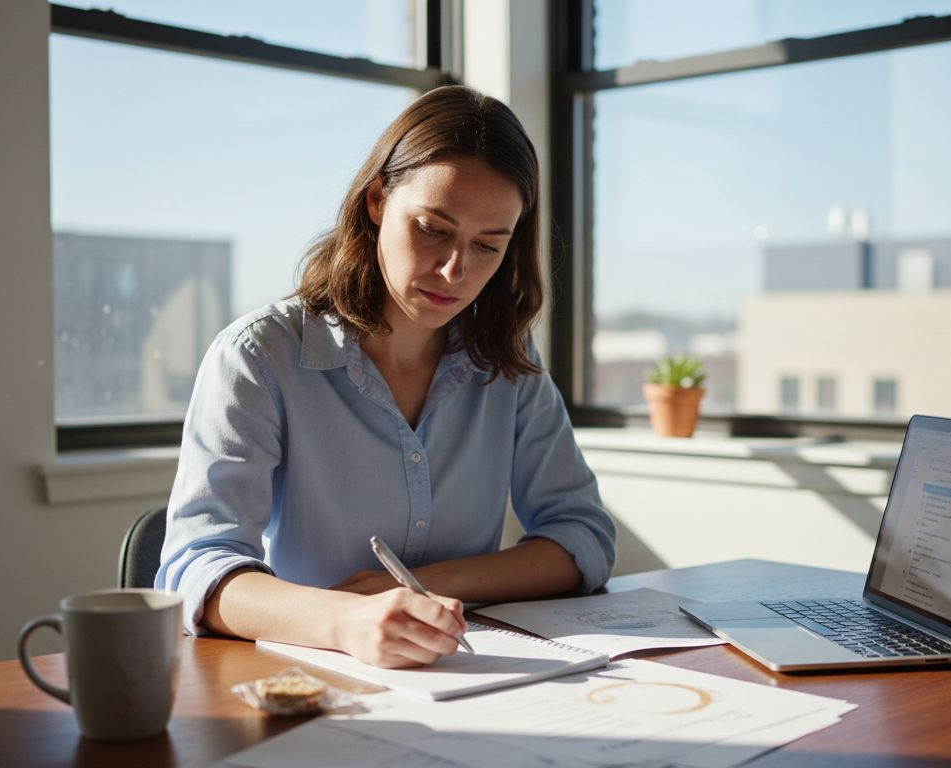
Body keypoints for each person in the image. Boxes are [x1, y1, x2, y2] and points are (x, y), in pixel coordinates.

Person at [156, 85, 617, 669]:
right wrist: (347, 620)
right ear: (377, 200)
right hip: (307, 677)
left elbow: (582, 538)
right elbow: (198, 570)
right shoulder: (258, 357)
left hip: (467, 675)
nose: (455, 270)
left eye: (487, 246)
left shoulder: (506, 360)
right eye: (433, 228)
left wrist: (417, 587)